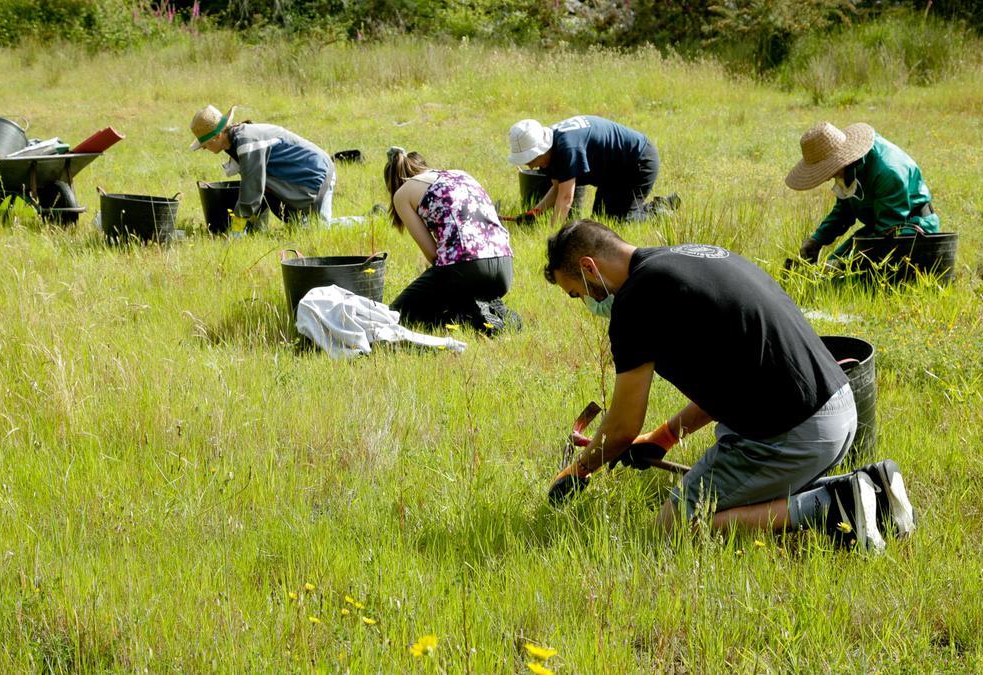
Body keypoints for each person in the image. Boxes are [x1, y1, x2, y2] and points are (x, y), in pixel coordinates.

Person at [542, 220, 916, 552]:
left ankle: (832, 505)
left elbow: (623, 427)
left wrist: (578, 470)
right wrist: (664, 437)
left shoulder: (635, 301)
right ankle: (870, 489)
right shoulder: (692, 257)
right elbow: (732, 375)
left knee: (671, 530)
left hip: (794, 432)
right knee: (733, 498)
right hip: (839, 410)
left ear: (589, 268)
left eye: (577, 293)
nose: (585, 303)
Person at [385, 147, 520, 336]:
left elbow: (433, 254)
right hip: (504, 269)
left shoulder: (402, 194)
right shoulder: (460, 174)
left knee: (396, 316)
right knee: (448, 294)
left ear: (392, 181)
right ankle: (487, 309)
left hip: (465, 268)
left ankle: (472, 317)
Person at [787, 122, 939, 263]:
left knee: (840, 273)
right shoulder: (848, 169)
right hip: (879, 230)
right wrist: (817, 240)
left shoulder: (888, 171)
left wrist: (843, 264)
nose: (828, 178)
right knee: (830, 269)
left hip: (909, 230)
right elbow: (844, 212)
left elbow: (888, 234)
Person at [505, 115, 679, 226]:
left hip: (638, 162)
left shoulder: (566, 148)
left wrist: (553, 236)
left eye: (532, 159)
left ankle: (661, 209)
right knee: (601, 218)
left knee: (619, 221)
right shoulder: (553, 145)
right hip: (613, 171)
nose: (531, 166)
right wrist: (535, 212)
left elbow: (565, 198)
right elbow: (557, 187)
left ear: (542, 149)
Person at [189, 104, 335, 231]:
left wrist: (238, 224)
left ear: (217, 136)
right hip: (298, 179)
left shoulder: (247, 142)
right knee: (301, 229)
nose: (203, 148)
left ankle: (358, 222)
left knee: (318, 231)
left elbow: (252, 187)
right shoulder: (236, 141)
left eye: (205, 144)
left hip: (315, 174)